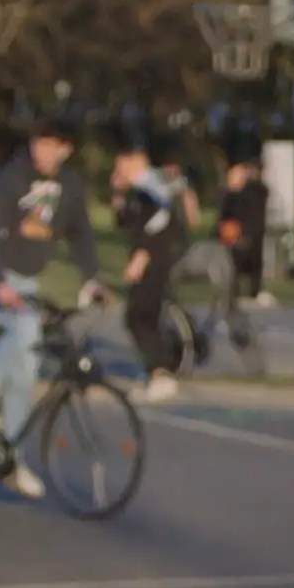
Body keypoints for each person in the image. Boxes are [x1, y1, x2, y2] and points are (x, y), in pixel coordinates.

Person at [0, 119, 108, 498]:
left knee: (25, 372)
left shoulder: (69, 186)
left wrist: (91, 278)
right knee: (25, 329)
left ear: (66, 149)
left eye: (52, 145)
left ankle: (9, 458)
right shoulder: (10, 179)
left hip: (27, 279)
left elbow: (80, 233)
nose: (43, 152)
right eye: (39, 143)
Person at [111, 146, 185, 402]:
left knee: (139, 315)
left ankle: (161, 373)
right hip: (146, 258)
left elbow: (159, 224)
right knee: (142, 316)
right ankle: (155, 370)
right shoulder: (137, 190)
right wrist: (118, 196)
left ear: (135, 162)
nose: (118, 170)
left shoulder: (152, 187)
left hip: (155, 260)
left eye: (122, 164)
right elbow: (126, 222)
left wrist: (142, 256)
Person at [218, 159, 270, 305]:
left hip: (252, 231)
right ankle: (234, 293)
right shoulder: (230, 195)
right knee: (233, 264)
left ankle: (255, 291)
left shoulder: (256, 191)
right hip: (233, 232)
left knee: (254, 262)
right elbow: (225, 213)